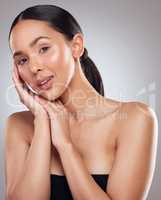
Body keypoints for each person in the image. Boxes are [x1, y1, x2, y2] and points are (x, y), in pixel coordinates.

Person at [5, 4, 158, 200]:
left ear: (76, 46)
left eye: (43, 48)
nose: (34, 67)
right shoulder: (19, 126)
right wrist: (42, 122)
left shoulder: (134, 119)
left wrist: (65, 145)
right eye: (22, 60)